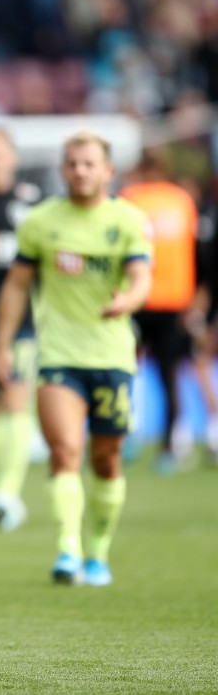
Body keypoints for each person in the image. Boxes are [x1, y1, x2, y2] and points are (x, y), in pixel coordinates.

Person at [0, 132, 152, 587]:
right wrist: (3, 343)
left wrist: (128, 301)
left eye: (88, 163)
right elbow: (18, 286)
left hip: (113, 358)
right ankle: (68, 548)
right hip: (59, 358)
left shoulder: (128, 221)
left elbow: (142, 276)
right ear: (62, 170)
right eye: (72, 163)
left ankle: (98, 553)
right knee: (64, 452)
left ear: (108, 171)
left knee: (107, 460)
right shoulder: (41, 222)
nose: (80, 171)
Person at [0, 129, 41, 528]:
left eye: (1, 154)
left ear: (14, 159)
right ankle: (3, 488)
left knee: (17, 398)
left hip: (21, 322)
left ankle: (7, 492)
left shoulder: (31, 203)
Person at [120, 148, 203, 472]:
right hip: (175, 302)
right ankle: (170, 446)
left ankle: (125, 435)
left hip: (137, 299)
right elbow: (196, 252)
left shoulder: (130, 198)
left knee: (125, 369)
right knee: (169, 375)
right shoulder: (182, 200)